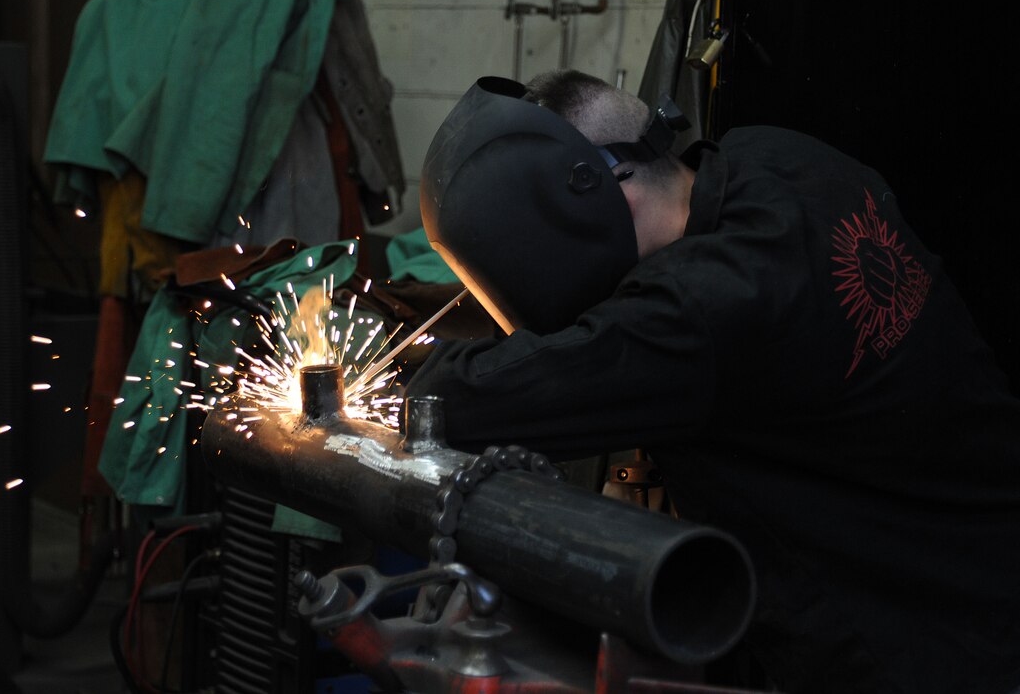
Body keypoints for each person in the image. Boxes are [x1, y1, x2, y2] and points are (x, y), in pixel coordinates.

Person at [405, 69, 1020, 693]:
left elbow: (461, 399)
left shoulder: (696, 313)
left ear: (588, 191)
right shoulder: (778, 154)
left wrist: (403, 367)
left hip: (927, 651)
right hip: (988, 551)